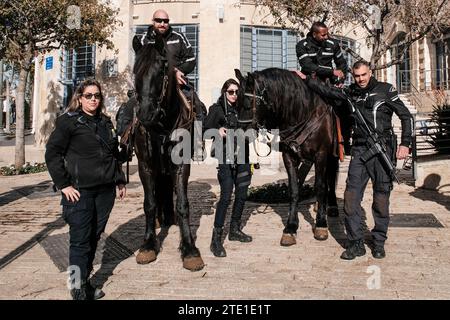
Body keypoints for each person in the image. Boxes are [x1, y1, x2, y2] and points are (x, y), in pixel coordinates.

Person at [297, 60, 412, 260]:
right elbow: (329, 92)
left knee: (381, 199)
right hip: (360, 150)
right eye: (357, 76)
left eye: (363, 75)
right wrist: (307, 79)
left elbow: (406, 116)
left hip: (382, 149)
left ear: (370, 72)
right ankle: (356, 242)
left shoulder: (386, 90)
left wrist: (405, 144)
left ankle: (378, 242)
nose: (360, 79)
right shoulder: (350, 93)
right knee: (350, 199)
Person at [45, 79, 127, 300]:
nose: (93, 99)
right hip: (79, 192)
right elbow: (52, 155)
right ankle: (76, 287)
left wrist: (119, 180)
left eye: (97, 96)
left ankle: (85, 281)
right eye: (89, 95)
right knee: (80, 240)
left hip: (104, 192)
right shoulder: (68, 122)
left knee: (94, 238)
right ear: (79, 98)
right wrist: (64, 185)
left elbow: (112, 154)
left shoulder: (105, 122)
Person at [204, 79, 253, 257]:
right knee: (226, 196)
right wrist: (217, 131)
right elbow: (203, 129)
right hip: (225, 157)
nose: (234, 95)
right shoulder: (217, 109)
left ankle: (234, 230)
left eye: (236, 92)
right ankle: (216, 239)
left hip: (243, 156)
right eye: (231, 92)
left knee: (242, 194)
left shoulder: (242, 109)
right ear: (225, 92)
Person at [296, 21, 352, 155]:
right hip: (308, 82)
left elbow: (342, 64)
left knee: (345, 105)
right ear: (314, 34)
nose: (326, 37)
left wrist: (340, 78)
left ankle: (345, 140)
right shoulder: (302, 45)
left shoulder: (333, 44)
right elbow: (308, 66)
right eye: (323, 35)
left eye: (327, 34)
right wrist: (332, 72)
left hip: (328, 84)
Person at [132, 9, 196, 87]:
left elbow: (191, 59)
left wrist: (180, 71)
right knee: (133, 97)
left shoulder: (179, 37)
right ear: (153, 21)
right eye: (159, 20)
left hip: (176, 82)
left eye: (166, 21)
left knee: (191, 96)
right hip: (150, 84)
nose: (162, 24)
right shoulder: (143, 40)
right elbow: (140, 64)